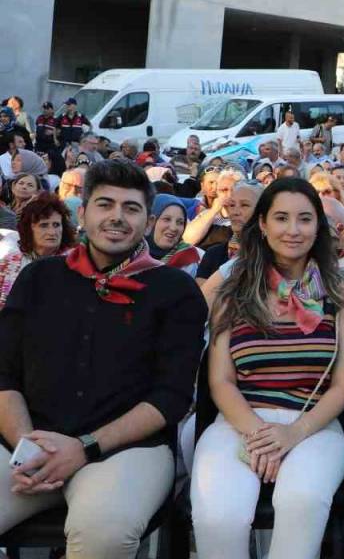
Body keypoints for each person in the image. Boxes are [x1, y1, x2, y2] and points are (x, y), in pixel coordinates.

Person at [0, 160, 206, 555]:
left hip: (124, 450)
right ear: (82, 214)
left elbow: (172, 396)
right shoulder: (39, 278)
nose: (117, 217)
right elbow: (3, 373)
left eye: (131, 208)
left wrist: (85, 447)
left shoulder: (175, 290)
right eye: (105, 204)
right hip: (27, 443)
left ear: (147, 222)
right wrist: (26, 446)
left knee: (104, 533)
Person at [192, 178, 344, 558]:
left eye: (305, 219)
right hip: (239, 422)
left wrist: (293, 433)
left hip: (314, 424)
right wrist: (261, 434)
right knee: (219, 515)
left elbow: (341, 384)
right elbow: (221, 380)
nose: (293, 230)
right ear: (263, 224)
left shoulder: (341, 290)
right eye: (281, 218)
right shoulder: (234, 287)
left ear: (318, 226)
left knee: (302, 501)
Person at [0, 193, 77, 308]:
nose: (52, 232)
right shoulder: (10, 262)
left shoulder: (75, 262)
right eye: (44, 225)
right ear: (29, 229)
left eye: (56, 225)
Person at [195, 182, 262, 287]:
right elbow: (202, 295)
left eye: (244, 205)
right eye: (232, 205)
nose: (235, 212)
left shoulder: (274, 254)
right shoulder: (214, 254)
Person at [147, 194, 202, 279]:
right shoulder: (130, 252)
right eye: (166, 219)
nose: (173, 228)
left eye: (180, 222)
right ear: (150, 221)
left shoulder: (186, 259)